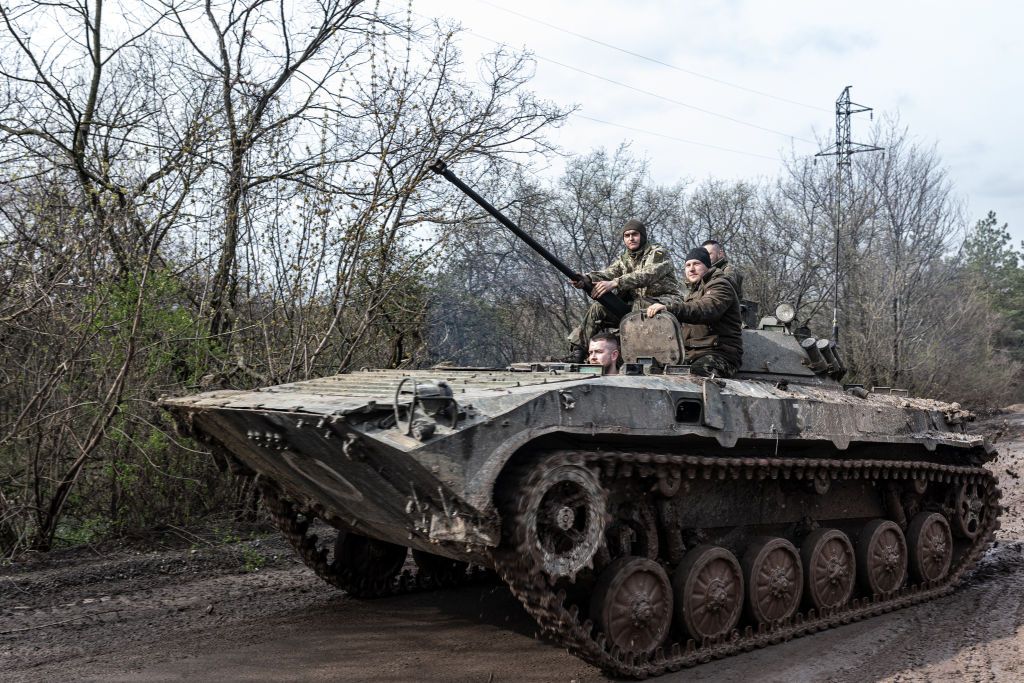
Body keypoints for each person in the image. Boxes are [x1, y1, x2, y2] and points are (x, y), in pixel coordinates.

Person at [566, 219, 680, 362]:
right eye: (627, 236)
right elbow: (608, 273)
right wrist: (586, 278)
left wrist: (616, 282)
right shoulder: (625, 259)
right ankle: (578, 352)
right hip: (636, 308)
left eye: (635, 234)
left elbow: (647, 275)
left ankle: (636, 354)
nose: (631, 238)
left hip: (665, 301)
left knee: (640, 303)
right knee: (598, 307)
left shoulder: (658, 253)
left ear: (642, 236)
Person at [646, 247, 743, 378]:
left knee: (696, 376)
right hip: (691, 354)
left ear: (707, 266)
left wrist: (669, 308)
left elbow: (705, 309)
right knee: (655, 372)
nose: (691, 269)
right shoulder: (692, 293)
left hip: (719, 354)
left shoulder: (720, 285)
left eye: (696, 264)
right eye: (687, 265)